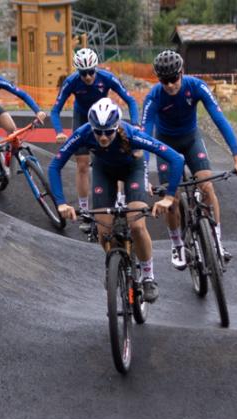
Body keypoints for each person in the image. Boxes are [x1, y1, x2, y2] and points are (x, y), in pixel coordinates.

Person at [49, 98, 182, 302]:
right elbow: (54, 166)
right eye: (98, 132)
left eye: (108, 132)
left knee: (137, 225)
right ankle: (113, 264)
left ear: (116, 126)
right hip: (104, 172)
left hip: (133, 171)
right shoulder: (83, 133)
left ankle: (148, 277)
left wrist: (169, 197)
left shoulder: (132, 134)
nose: (103, 137)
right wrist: (61, 203)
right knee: (103, 230)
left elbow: (177, 158)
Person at [141, 49, 237, 269]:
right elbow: (145, 136)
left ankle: (216, 241)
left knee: (207, 186)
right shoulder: (154, 97)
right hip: (165, 145)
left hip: (191, 140)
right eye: (165, 81)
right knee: (171, 200)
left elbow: (219, 118)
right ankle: (177, 244)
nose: (170, 85)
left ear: (182, 73)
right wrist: (143, 173)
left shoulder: (196, 86)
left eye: (174, 79)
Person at [50, 47, 140, 212]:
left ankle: (120, 199)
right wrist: (59, 131)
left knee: (117, 157)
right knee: (82, 165)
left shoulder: (107, 77)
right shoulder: (71, 82)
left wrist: (135, 123)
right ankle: (84, 209)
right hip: (83, 118)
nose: (88, 77)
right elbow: (55, 110)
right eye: (83, 73)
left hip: (106, 118)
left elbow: (131, 100)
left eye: (91, 72)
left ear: (96, 68)